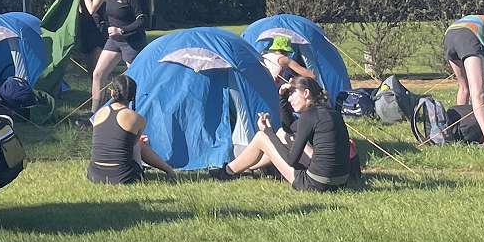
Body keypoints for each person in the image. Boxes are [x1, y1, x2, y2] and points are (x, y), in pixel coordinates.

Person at [208, 76, 357, 190]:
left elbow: (291, 160)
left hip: (315, 183)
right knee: (281, 134)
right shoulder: (330, 112)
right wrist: (282, 98)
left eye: (292, 93)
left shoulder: (309, 116)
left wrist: (268, 132)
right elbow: (288, 129)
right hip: (340, 181)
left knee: (261, 137)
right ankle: (246, 169)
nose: (290, 98)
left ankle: (227, 172)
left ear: (306, 93)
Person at [86, 72, 181, 184]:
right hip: (123, 177)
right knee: (138, 144)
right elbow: (133, 145)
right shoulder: (137, 118)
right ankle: (169, 170)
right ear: (133, 95)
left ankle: (167, 170)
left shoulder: (99, 113)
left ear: (112, 93)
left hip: (95, 174)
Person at [86, 0, 149, 110]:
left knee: (133, 79)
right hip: (114, 41)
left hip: (132, 42)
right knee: (98, 74)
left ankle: (135, 112)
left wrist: (122, 30)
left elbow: (142, 20)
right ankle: (95, 113)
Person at [442, 14, 484, 148]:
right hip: (470, 35)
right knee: (478, 93)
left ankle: (458, 131)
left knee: (464, 88)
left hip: (450, 34)